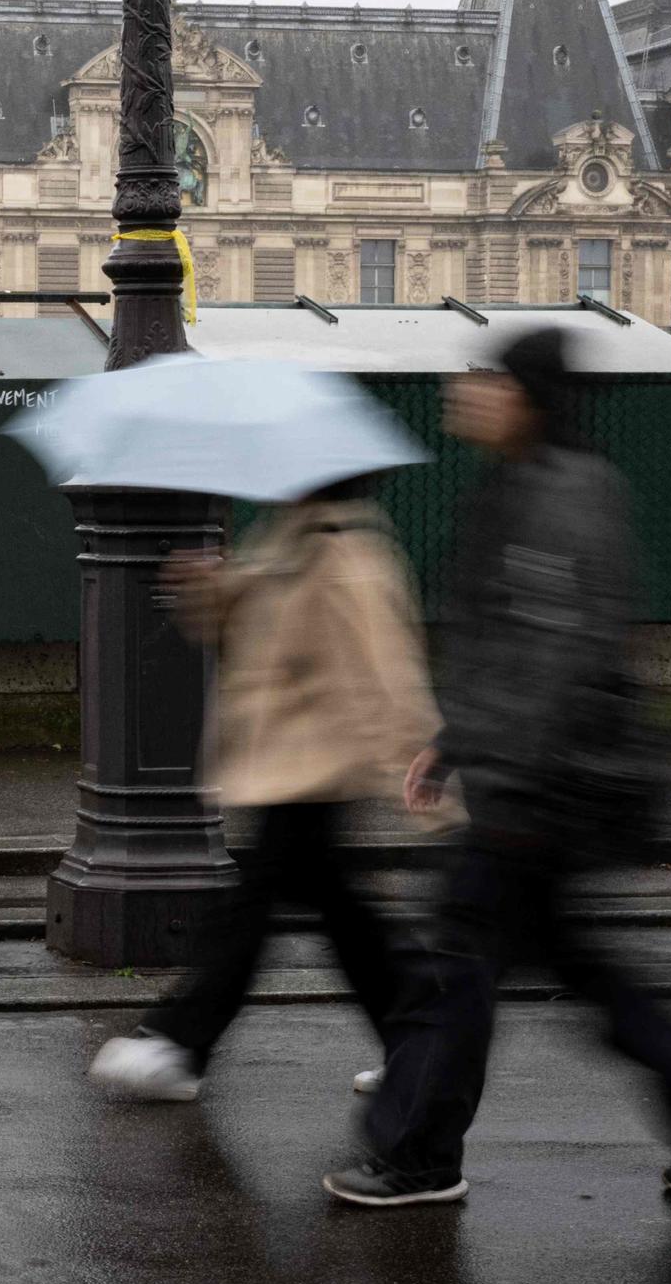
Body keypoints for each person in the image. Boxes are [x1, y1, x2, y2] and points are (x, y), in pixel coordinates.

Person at [325, 326, 671, 1208]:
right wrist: (456, 741)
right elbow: (519, 645)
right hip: (532, 775)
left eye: (486, 378)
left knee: (457, 970)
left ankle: (419, 1157)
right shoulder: (535, 484)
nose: (464, 390)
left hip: (536, 786)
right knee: (574, 965)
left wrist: (500, 769)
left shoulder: (559, 496)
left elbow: (555, 651)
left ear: (526, 399)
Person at [88, 472, 438, 1105]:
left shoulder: (345, 550)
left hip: (316, 766)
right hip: (284, 761)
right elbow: (244, 629)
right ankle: (418, 1043)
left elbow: (387, 670)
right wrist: (207, 587)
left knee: (255, 909)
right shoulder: (289, 537)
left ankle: (180, 1041)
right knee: (342, 914)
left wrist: (415, 756)